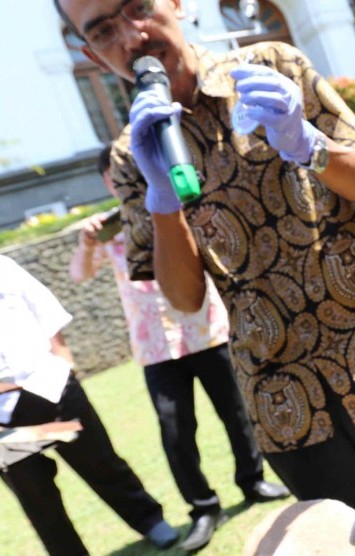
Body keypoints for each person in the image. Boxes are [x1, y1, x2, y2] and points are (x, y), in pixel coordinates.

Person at [53, 1, 355, 553]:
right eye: (104, 31)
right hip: (286, 410)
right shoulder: (130, 154)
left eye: (137, 8)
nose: (132, 36)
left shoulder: (271, 68)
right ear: (90, 53)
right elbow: (183, 300)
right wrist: (163, 200)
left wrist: (309, 143)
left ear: (177, 5)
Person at [68, 143, 290, 552]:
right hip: (156, 347)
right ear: (107, 180)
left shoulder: (173, 202)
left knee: (237, 413)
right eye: (113, 175)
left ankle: (252, 480)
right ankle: (203, 507)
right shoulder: (102, 228)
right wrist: (85, 246)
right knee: (175, 431)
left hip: (203, 328)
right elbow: (79, 275)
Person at [0, 254, 179, 555]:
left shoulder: (3, 266)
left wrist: (63, 358)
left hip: (48, 386)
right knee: (35, 493)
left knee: (98, 460)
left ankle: (149, 520)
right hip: (4, 414)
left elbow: (44, 310)